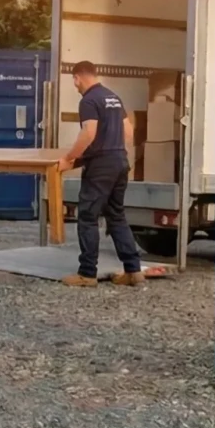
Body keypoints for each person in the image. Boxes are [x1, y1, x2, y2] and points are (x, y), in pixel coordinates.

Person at [58, 61, 145, 286]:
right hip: (120, 161)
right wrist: (114, 149)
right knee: (116, 215)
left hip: (100, 167)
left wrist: (69, 158)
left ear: (77, 77)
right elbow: (128, 131)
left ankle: (87, 274)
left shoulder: (88, 100)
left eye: (74, 81)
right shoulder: (113, 97)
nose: (75, 86)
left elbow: (89, 133)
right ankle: (133, 270)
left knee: (88, 216)